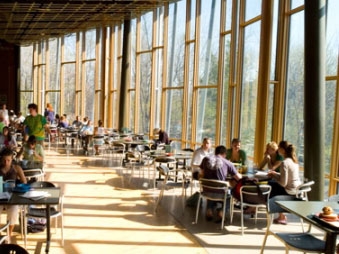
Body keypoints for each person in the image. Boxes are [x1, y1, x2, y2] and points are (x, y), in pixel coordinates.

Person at [199, 145, 242, 222]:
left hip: (205, 191)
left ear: (215, 152)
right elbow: (239, 178)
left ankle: (209, 210)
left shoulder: (205, 159)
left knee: (212, 186)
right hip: (220, 193)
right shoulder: (228, 163)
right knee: (230, 193)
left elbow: (201, 174)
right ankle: (222, 211)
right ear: (224, 154)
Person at [267, 140, 301, 225]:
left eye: (279, 147)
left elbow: (283, 183)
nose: (277, 149)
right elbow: (287, 177)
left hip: (289, 191)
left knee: (270, 186)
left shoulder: (284, 163)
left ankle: (280, 215)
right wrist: (275, 174)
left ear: (282, 150)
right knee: (273, 183)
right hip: (296, 190)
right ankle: (280, 215)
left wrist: (274, 176)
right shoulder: (294, 161)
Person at [0, 148, 27, 236]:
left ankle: (9, 234)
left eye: (8, 160)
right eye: (4, 160)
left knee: (13, 212)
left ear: (12, 159)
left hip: (12, 197)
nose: (6, 162)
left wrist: (18, 187)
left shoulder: (16, 168)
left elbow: (24, 182)